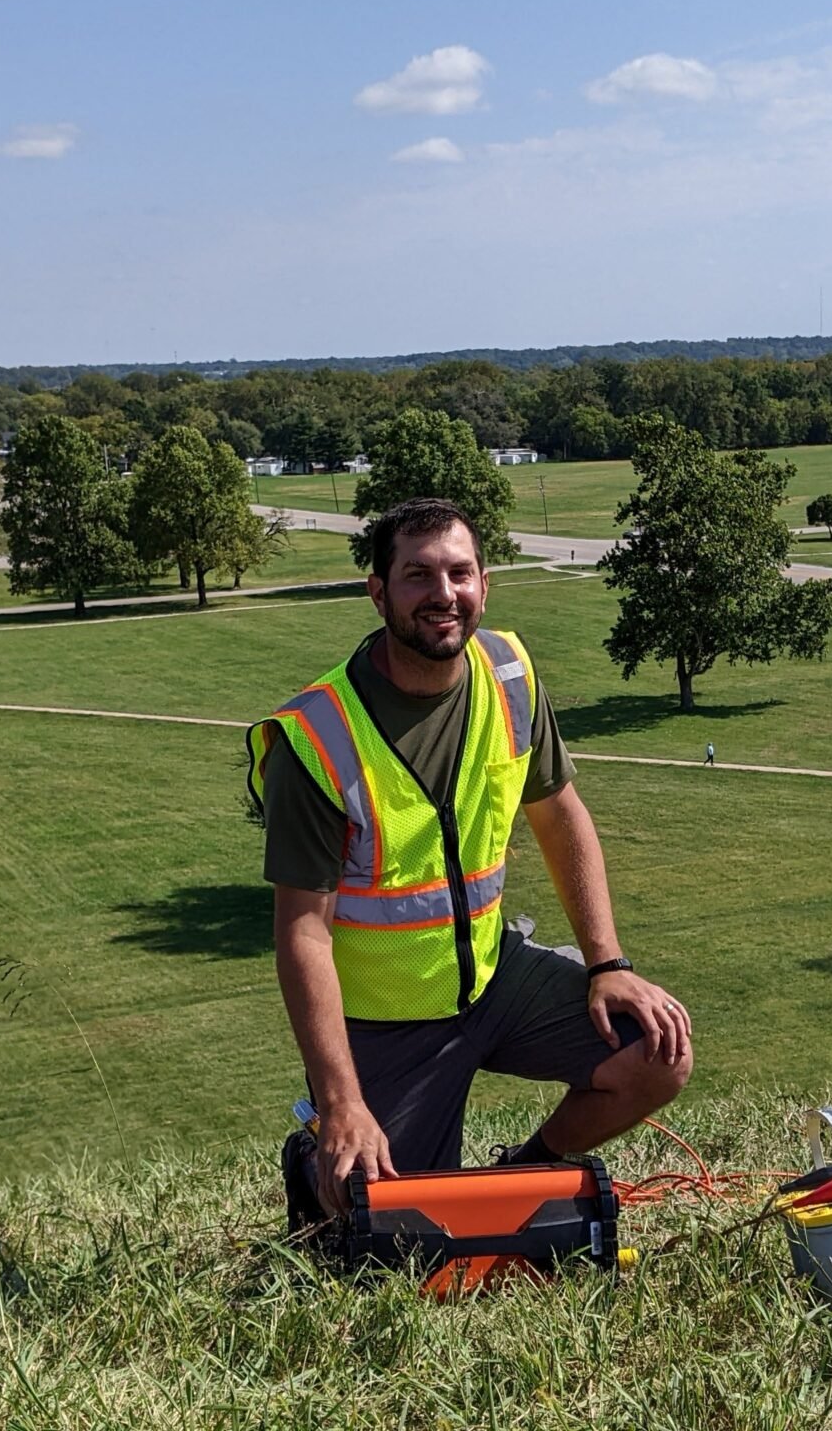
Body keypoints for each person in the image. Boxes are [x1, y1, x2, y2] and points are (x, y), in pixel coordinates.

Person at [249, 497, 693, 1210]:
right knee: (382, 1223)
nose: (443, 595)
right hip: (387, 1025)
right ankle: (313, 1160)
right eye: (418, 576)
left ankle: (527, 1171)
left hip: (495, 980)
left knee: (656, 1051)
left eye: (459, 573)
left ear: (485, 582)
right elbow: (302, 929)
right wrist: (340, 1102)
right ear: (378, 591)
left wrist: (608, 964)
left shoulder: (509, 674)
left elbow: (560, 815)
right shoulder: (315, 738)